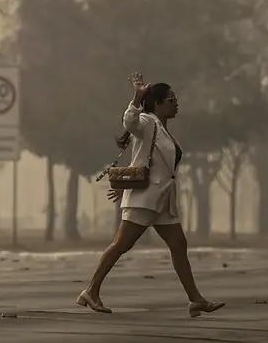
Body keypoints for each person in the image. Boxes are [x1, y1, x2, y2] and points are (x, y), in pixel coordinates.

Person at [77, 72, 225, 318]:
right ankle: (91, 291)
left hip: (163, 200)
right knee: (121, 245)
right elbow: (129, 121)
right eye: (171, 99)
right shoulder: (146, 122)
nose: (176, 103)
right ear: (157, 103)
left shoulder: (163, 129)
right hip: (145, 198)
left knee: (179, 245)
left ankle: (195, 300)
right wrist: (136, 97)